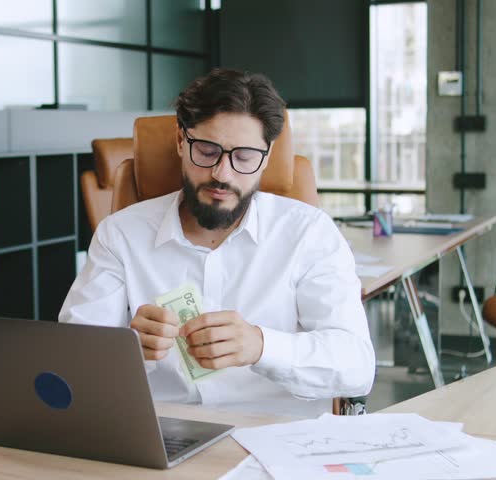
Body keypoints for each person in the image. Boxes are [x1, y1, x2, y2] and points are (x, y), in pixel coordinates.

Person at [59, 68, 374, 417]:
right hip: (162, 432)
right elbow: (75, 362)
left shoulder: (309, 233)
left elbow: (357, 368)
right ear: (181, 141)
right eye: (207, 151)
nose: (222, 174)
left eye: (243, 157)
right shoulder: (120, 234)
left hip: (275, 438)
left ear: (267, 157)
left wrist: (262, 346)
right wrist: (126, 350)